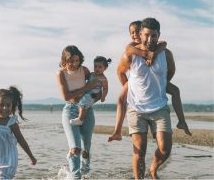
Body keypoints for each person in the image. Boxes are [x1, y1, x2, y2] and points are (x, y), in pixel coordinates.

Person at [113, 18, 175, 179]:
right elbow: (120, 72)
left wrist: (160, 83)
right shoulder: (130, 55)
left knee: (165, 149)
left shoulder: (166, 54)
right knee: (139, 151)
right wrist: (129, 86)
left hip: (159, 107)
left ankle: (153, 169)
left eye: (154, 35)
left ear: (158, 35)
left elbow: (171, 72)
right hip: (136, 108)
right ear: (140, 34)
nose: (149, 39)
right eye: (146, 35)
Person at [108, 20, 191, 142]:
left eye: (137, 32)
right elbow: (124, 60)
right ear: (142, 34)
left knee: (175, 90)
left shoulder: (159, 46)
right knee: (121, 99)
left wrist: (163, 81)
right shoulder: (131, 47)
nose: (135, 35)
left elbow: (164, 44)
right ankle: (117, 131)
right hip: (135, 83)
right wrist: (128, 85)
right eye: (132, 32)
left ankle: (182, 121)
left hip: (156, 82)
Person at [57, 45, 99, 179]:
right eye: (71, 61)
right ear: (65, 60)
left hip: (86, 110)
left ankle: (84, 171)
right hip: (70, 110)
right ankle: (75, 176)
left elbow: (97, 85)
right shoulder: (61, 74)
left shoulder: (84, 70)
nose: (75, 64)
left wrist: (95, 97)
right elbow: (66, 96)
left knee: (86, 147)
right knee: (75, 148)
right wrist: (86, 87)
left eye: (77, 60)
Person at [70, 56, 111, 125]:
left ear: (105, 68)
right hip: (86, 92)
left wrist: (103, 96)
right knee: (82, 103)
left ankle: (80, 119)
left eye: (100, 67)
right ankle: (80, 116)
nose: (97, 69)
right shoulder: (92, 74)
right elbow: (86, 80)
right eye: (95, 66)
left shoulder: (103, 79)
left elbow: (105, 88)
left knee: (84, 103)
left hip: (93, 94)